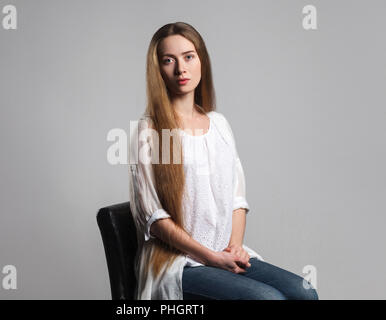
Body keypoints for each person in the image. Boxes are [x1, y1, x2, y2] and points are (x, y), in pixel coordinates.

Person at [128, 21, 319, 300]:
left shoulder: (219, 124)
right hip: (179, 264)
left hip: (224, 252)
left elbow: (236, 199)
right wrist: (210, 258)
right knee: (268, 299)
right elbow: (154, 218)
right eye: (169, 61)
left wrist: (235, 247)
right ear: (157, 70)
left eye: (188, 57)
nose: (181, 69)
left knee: (306, 294)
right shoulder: (149, 132)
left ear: (201, 61)